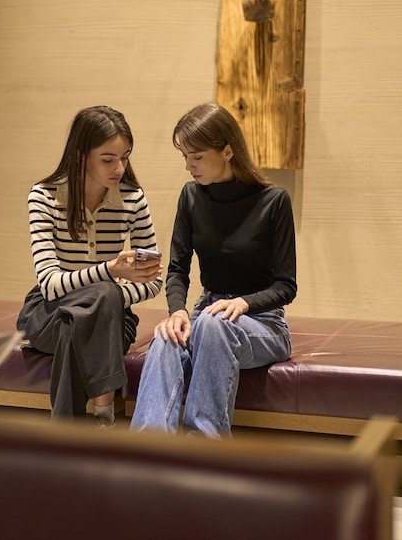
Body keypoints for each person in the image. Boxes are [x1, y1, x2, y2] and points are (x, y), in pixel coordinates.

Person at [130, 103, 296, 438]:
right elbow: (177, 269)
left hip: (263, 322)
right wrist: (177, 312)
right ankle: (146, 451)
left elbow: (286, 286)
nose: (188, 166)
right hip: (207, 313)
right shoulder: (191, 196)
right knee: (166, 338)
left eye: (197, 156)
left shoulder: (274, 201)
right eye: (184, 156)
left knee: (212, 324)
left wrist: (243, 303)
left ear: (228, 151)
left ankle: (203, 450)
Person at [17, 105, 163, 425]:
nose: (119, 168)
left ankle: (66, 436)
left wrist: (109, 297)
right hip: (47, 312)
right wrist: (110, 272)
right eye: (108, 159)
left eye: (125, 157)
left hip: (111, 318)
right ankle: (103, 414)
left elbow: (154, 280)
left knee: (86, 313)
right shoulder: (44, 196)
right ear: (80, 155)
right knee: (100, 294)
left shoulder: (133, 199)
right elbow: (50, 285)